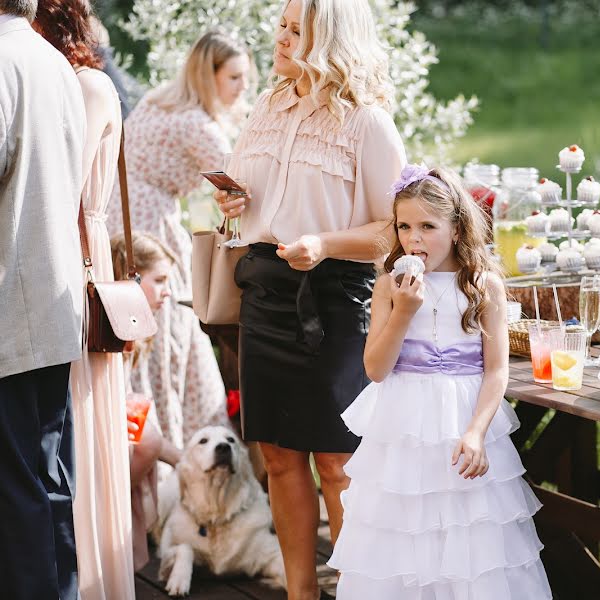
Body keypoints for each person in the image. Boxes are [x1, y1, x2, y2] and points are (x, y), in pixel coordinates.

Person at [214, 0, 405, 597]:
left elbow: (396, 229)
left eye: (298, 29)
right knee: (276, 455)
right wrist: (235, 205)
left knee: (338, 464)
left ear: (332, 39)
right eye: (282, 24)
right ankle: (300, 593)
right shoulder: (267, 107)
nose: (281, 36)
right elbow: (257, 205)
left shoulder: (367, 122)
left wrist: (324, 243)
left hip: (336, 300)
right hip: (267, 294)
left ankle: (358, 589)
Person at [327, 166, 552, 599]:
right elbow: (375, 369)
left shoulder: (484, 286)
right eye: (404, 226)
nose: (413, 238)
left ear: (457, 228)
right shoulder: (388, 286)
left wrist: (476, 432)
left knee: (470, 537)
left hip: (464, 425)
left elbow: (496, 371)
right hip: (404, 429)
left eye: (428, 227)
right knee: (404, 533)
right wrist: (403, 312)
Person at [106, 30, 253, 456]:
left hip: (122, 218)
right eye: (234, 78)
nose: (243, 87)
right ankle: (172, 444)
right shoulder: (198, 126)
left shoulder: (160, 101)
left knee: (137, 324)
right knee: (164, 327)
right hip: (148, 224)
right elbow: (238, 185)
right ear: (208, 76)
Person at [32, 1, 136, 597]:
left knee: (78, 411)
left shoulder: (88, 86)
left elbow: (59, 185)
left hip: (78, 252)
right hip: (67, 244)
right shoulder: (72, 82)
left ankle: (91, 575)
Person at [0, 1, 85, 599]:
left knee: (14, 486)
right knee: (48, 477)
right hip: (54, 300)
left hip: (8, 302)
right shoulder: (52, 60)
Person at [110, 232, 183, 570]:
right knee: (149, 438)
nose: (167, 291)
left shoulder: (136, 337)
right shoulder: (107, 332)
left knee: (148, 428)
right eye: (160, 280)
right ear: (131, 278)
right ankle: (113, 513)